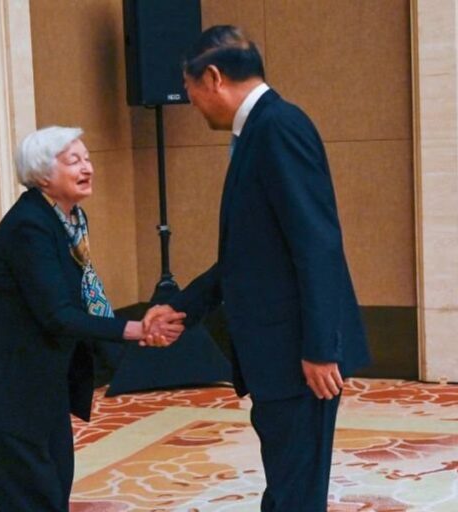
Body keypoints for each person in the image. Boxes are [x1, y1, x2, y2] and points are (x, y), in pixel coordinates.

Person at [144, 26, 371, 511]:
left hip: (298, 357)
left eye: (188, 88)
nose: (190, 101)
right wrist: (183, 307)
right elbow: (250, 255)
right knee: (289, 488)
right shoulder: (259, 131)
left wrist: (320, 348)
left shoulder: (278, 128)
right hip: (280, 355)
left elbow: (317, 244)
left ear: (212, 78)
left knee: (295, 493)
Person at [0, 126, 185, 511]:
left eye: (87, 159)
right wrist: (137, 328)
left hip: (39, 371)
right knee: (30, 492)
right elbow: (58, 315)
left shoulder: (70, 218)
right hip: (1, 374)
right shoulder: (29, 226)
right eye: (74, 161)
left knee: (55, 480)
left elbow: (82, 296)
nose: (87, 167)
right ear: (42, 175)